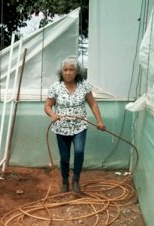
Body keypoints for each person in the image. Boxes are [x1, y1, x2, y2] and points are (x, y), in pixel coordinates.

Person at [44, 57, 106, 193]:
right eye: (65, 70)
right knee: (64, 157)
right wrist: (52, 115)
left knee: (79, 152)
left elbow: (93, 103)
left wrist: (99, 121)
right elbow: (48, 106)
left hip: (80, 126)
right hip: (61, 128)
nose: (68, 72)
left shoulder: (84, 85)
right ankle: (65, 181)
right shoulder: (55, 87)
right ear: (61, 72)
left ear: (77, 71)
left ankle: (76, 180)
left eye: (71, 69)